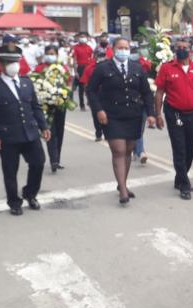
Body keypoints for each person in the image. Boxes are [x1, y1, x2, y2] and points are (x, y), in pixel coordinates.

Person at [0, 46, 51, 216]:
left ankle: (30, 194)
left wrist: (44, 126)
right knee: (10, 171)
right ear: (1, 64)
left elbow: (35, 107)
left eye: (15, 61)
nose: (13, 65)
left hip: (30, 133)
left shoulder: (26, 82)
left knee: (38, 163)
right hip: (7, 136)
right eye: (9, 62)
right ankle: (14, 201)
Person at [86, 38, 156, 205]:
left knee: (128, 150)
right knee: (118, 150)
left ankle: (122, 182)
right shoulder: (103, 68)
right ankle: (123, 190)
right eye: (120, 47)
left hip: (133, 115)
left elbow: (146, 92)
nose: (123, 50)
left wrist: (151, 114)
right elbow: (91, 91)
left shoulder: (137, 68)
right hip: (112, 115)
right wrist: (98, 110)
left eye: (126, 48)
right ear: (113, 48)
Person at [155, 38, 193, 200]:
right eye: (179, 47)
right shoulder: (167, 68)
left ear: (190, 50)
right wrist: (158, 114)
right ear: (175, 50)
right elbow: (159, 92)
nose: (182, 50)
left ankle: (180, 177)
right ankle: (185, 185)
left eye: (185, 47)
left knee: (190, 147)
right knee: (179, 148)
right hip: (174, 113)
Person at [34, 45, 70, 173]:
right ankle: (53, 160)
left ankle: (57, 159)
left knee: (59, 131)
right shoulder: (39, 68)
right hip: (46, 104)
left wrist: (65, 94)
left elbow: (68, 82)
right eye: (48, 53)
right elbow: (35, 85)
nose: (51, 56)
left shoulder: (62, 68)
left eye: (53, 53)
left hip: (60, 103)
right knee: (50, 131)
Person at [130, 42, 151, 164]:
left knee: (139, 128)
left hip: (142, 102)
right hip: (128, 104)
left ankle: (138, 150)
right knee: (134, 128)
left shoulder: (145, 64)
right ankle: (139, 151)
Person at [81, 49, 107, 141]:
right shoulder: (90, 68)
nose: (101, 58)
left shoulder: (110, 67)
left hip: (107, 94)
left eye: (103, 55)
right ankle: (98, 133)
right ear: (95, 56)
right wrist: (88, 97)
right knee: (96, 114)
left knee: (108, 113)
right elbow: (86, 84)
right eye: (99, 55)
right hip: (95, 94)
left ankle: (107, 132)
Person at [72, 32, 94, 111]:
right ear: (78, 38)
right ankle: (82, 105)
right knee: (81, 87)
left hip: (88, 68)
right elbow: (74, 60)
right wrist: (76, 72)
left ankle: (89, 101)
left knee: (88, 86)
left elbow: (92, 58)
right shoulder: (75, 48)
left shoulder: (89, 48)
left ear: (87, 38)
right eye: (81, 36)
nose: (82, 38)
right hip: (80, 68)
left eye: (84, 37)